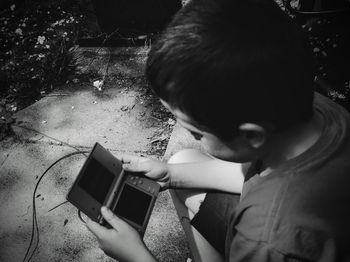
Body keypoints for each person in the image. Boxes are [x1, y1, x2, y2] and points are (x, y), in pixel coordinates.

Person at [86, 0, 350, 261]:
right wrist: (171, 175)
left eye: (197, 133)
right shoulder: (314, 109)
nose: (195, 139)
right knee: (182, 161)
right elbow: (258, 173)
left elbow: (270, 226)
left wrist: (137, 256)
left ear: (252, 135)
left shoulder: (266, 238)